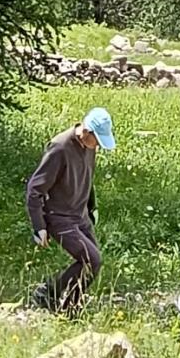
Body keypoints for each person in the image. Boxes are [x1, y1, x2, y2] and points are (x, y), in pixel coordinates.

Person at [25, 107, 113, 313]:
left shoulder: (90, 147)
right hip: (59, 217)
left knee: (93, 263)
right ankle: (48, 292)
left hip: (80, 215)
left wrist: (92, 206)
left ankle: (71, 307)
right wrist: (39, 226)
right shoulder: (59, 148)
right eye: (97, 140)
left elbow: (87, 177)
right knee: (92, 260)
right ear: (86, 132)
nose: (98, 145)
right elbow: (34, 189)